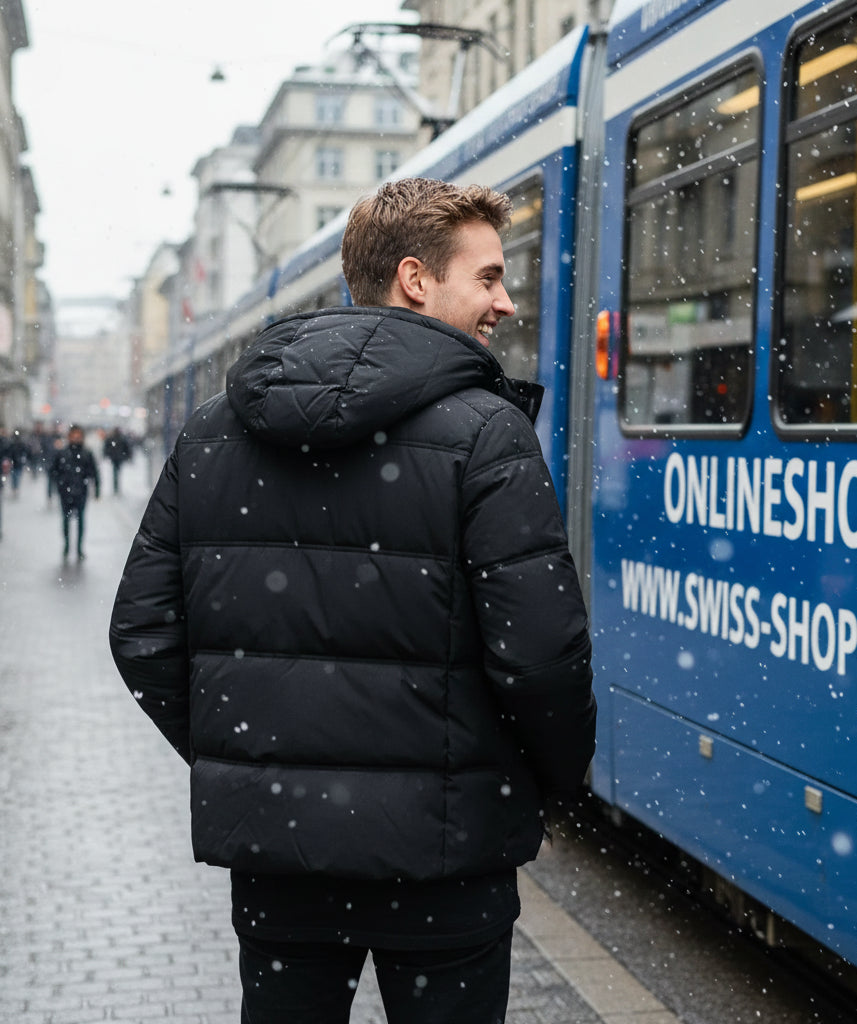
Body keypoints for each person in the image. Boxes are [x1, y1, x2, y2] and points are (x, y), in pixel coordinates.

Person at [109, 177, 597, 1024]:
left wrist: (255, 762)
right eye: (487, 278)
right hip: (448, 858)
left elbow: (142, 633)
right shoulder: (488, 435)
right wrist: (545, 781)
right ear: (416, 278)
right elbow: (541, 655)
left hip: (282, 863)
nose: (507, 303)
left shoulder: (216, 429)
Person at [49, 424, 99, 560]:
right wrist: (54, 488)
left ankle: (79, 548)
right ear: (69, 437)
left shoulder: (87, 453)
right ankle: (66, 545)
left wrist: (97, 489)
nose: (76, 438)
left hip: (81, 492)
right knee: (65, 520)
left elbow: (94, 472)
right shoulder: (62, 453)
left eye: (78, 436)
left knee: (81, 520)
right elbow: (53, 471)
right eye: (73, 436)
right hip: (65, 492)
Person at [102, 426, 133, 494]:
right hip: (118, 457)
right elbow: (127, 448)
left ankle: (116, 486)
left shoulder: (113, 438)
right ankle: (116, 486)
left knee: (115, 471)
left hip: (115, 457)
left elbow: (106, 447)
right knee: (116, 471)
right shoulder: (120, 438)